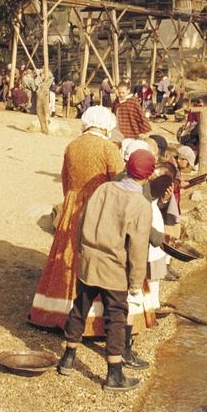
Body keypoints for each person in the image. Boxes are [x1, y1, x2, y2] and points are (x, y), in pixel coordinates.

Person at [56, 149, 157, 391]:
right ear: (148, 176)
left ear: (127, 167)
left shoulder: (104, 189)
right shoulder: (141, 205)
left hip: (90, 260)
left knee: (80, 306)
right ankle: (114, 374)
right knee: (115, 319)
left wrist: (80, 249)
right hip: (114, 268)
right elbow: (138, 248)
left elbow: (81, 221)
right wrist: (134, 283)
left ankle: (68, 358)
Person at [29, 107, 125, 331]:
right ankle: (93, 319)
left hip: (73, 204)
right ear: (105, 125)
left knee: (68, 253)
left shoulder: (72, 145)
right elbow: (119, 181)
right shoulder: (108, 148)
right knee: (94, 256)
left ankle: (55, 310)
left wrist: (72, 199)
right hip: (99, 206)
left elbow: (65, 180)